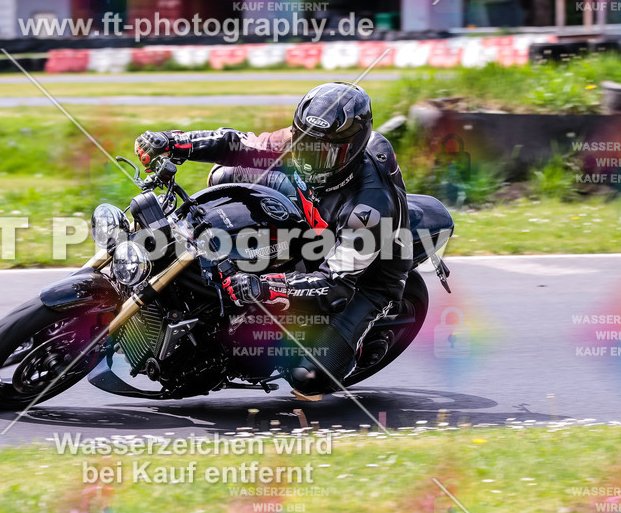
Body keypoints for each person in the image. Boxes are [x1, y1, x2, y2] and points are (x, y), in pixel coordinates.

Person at [134, 82, 412, 397]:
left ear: (351, 148)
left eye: (322, 152)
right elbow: (237, 144)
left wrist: (267, 285)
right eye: (303, 143)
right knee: (222, 174)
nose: (307, 158)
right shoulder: (306, 143)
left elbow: (334, 283)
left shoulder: (369, 209)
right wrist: (172, 143)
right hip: (314, 220)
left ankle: (361, 344)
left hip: (366, 275)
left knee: (307, 375)